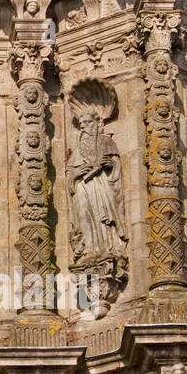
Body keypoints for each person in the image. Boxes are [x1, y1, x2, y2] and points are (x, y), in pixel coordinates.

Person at [66, 107, 127, 264]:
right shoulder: (78, 150)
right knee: (84, 215)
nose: (84, 126)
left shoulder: (106, 142)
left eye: (87, 122)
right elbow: (70, 174)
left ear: (97, 122)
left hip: (102, 186)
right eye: (81, 124)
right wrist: (77, 174)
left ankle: (107, 247)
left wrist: (111, 165)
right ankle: (89, 248)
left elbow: (116, 167)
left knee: (103, 216)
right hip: (83, 187)